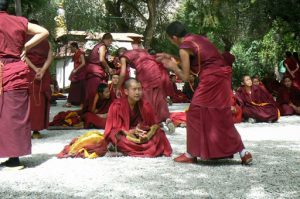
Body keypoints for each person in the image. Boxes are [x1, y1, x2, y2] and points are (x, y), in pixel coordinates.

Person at [156, 21, 252, 164]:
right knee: (221, 114)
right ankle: (243, 152)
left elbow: (186, 77)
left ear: (174, 37)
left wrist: (172, 67)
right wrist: (172, 57)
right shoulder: (197, 39)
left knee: (194, 113)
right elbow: (198, 60)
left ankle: (190, 154)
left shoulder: (184, 47)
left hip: (211, 79)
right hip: (223, 77)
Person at [0, 0, 49, 169]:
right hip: (15, 70)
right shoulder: (18, 21)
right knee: (14, 115)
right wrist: (25, 46)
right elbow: (44, 31)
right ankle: (14, 159)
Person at [104, 78, 172, 157]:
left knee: (159, 133)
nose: (137, 92)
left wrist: (142, 129)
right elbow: (114, 129)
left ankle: (127, 150)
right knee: (117, 137)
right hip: (125, 134)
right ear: (126, 91)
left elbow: (152, 125)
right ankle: (127, 149)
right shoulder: (117, 105)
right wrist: (130, 131)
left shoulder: (145, 105)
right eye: (134, 89)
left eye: (139, 89)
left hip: (140, 133)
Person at [116, 48, 175, 133]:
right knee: (158, 97)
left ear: (121, 54)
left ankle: (152, 121)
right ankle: (166, 119)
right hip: (156, 71)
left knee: (145, 99)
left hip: (145, 73)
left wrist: (117, 88)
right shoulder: (138, 50)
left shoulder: (123, 56)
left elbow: (122, 73)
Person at [25, 19, 53, 139]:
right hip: (43, 72)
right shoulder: (47, 42)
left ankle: (26, 128)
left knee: (29, 99)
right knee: (40, 100)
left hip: (30, 72)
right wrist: (42, 69)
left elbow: (23, 56)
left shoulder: (25, 41)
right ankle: (36, 130)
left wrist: (35, 69)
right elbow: (50, 58)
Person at [85, 33, 114, 102]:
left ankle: (91, 105)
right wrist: (108, 68)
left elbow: (105, 57)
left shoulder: (98, 45)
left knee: (92, 87)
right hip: (96, 69)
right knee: (98, 87)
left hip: (92, 68)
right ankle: (96, 105)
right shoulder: (102, 46)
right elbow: (101, 59)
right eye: (110, 41)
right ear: (107, 40)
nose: (110, 43)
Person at [64, 42, 86, 107]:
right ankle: (72, 101)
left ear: (74, 47)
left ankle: (80, 102)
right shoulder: (75, 54)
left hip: (81, 73)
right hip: (76, 72)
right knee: (73, 87)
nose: (70, 49)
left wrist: (76, 69)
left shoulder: (81, 53)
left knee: (80, 87)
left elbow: (83, 63)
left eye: (71, 48)